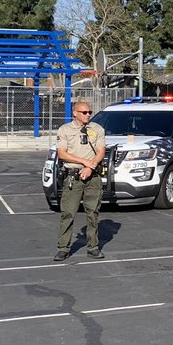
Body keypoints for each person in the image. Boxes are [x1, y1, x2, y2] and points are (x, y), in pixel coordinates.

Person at [53, 102, 107, 261]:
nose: (88, 115)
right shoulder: (65, 130)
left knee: (93, 213)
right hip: (73, 176)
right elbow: (62, 154)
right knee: (68, 213)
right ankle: (63, 248)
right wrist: (84, 162)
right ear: (75, 113)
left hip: (93, 176)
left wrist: (90, 167)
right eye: (84, 112)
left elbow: (101, 151)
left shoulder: (97, 129)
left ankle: (93, 247)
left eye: (90, 112)